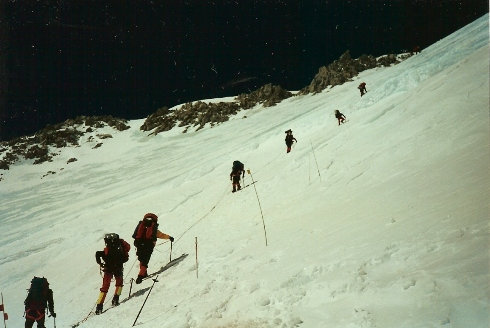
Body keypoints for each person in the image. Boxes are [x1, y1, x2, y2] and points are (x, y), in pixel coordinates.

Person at [132, 213, 174, 284]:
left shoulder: (141, 226)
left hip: (139, 244)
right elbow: (161, 235)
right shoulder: (153, 228)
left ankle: (143, 273)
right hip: (148, 246)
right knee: (145, 260)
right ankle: (140, 276)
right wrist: (169, 237)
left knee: (141, 259)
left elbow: (136, 235)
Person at [95, 233, 130, 314]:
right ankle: (116, 299)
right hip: (118, 267)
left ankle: (99, 306)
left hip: (108, 268)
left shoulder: (107, 249)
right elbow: (126, 253)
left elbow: (98, 253)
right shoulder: (120, 245)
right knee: (119, 284)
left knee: (104, 287)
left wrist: (100, 263)